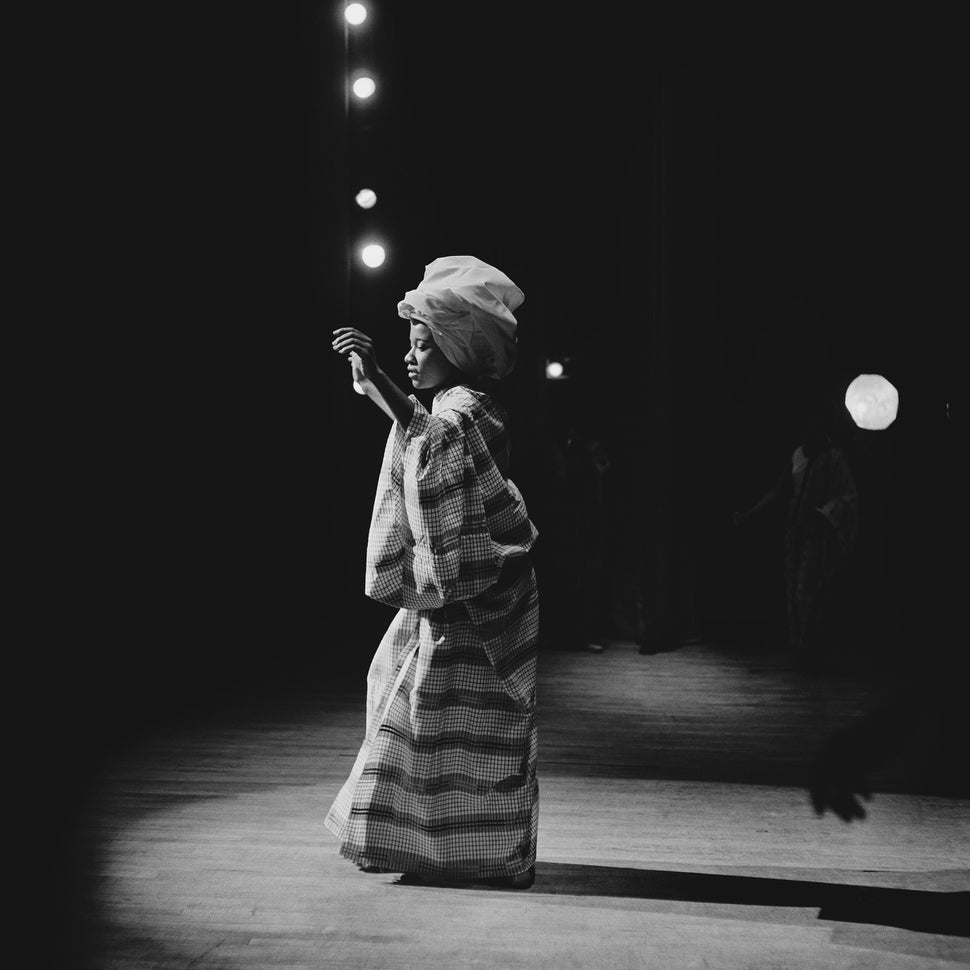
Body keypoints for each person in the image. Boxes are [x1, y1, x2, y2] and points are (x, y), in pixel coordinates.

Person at [325, 256, 540, 889]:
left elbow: (435, 440)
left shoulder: (470, 407)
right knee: (416, 706)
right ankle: (433, 846)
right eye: (409, 346)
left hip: (475, 596)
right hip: (454, 595)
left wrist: (383, 383)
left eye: (423, 345)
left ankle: (477, 852)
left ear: (456, 348)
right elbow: (422, 433)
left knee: (457, 724)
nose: (412, 357)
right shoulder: (452, 407)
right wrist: (381, 387)